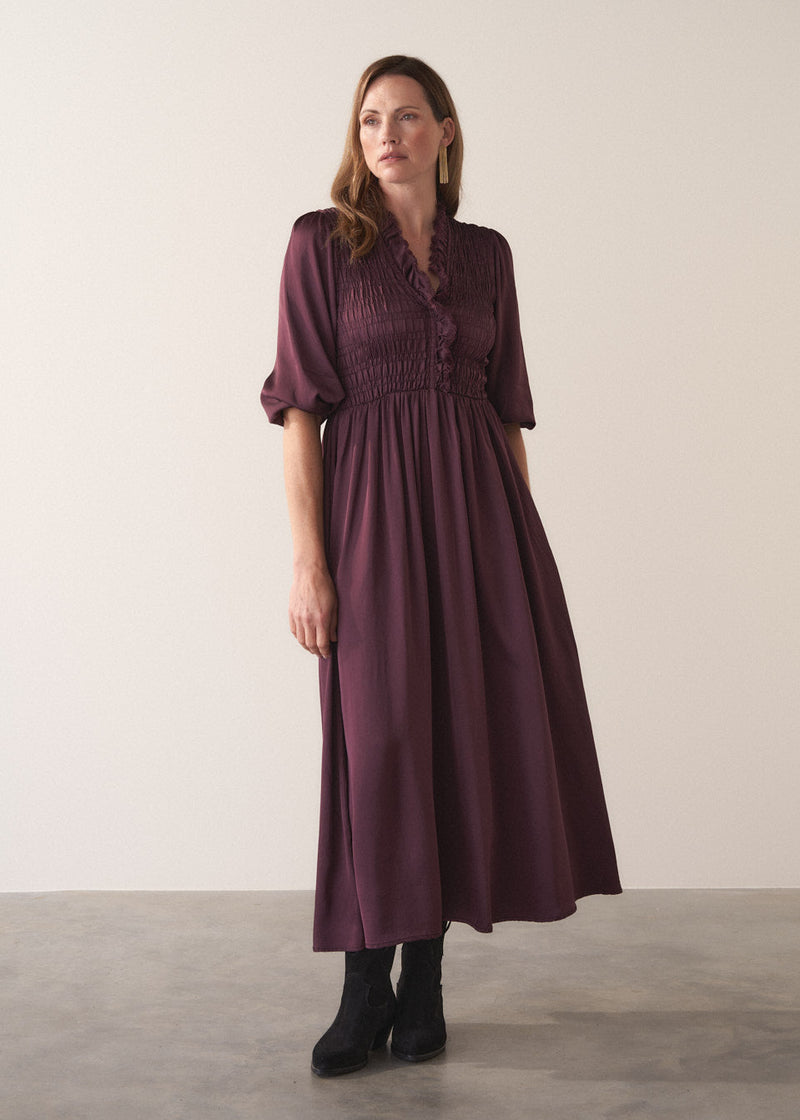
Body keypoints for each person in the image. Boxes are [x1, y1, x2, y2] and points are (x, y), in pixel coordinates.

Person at [260, 55, 621, 1078]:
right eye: (370, 119)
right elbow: (296, 412)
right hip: (370, 516)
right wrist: (308, 564)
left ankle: (424, 981)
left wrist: (522, 553)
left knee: (460, 738)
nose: (385, 135)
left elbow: (508, 409)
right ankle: (361, 983)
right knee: (379, 744)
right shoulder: (320, 246)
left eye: (407, 117)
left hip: (479, 520)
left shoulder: (489, 256)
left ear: (445, 133)